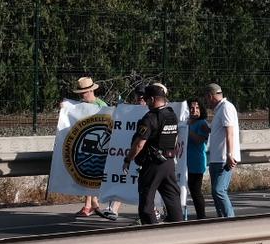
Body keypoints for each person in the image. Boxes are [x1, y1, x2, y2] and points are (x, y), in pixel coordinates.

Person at [128, 83, 183, 226]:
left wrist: (128, 159)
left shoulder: (150, 118)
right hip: (169, 163)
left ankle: (151, 231)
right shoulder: (171, 115)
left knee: (146, 200)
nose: (145, 103)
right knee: (172, 198)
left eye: (146, 100)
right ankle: (180, 229)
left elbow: (139, 144)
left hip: (153, 164)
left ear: (152, 99)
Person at [67, 75, 121, 222]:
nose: (81, 95)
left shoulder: (101, 105)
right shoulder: (81, 105)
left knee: (93, 173)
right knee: (86, 171)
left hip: (100, 144)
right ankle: (89, 204)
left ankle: (91, 204)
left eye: (83, 93)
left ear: (90, 91)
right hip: (88, 142)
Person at [205, 82, 241, 218]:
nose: (206, 102)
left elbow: (229, 132)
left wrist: (230, 154)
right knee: (215, 193)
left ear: (210, 96)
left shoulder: (226, 107)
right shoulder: (219, 110)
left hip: (224, 158)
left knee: (219, 190)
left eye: (206, 98)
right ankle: (221, 220)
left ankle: (230, 220)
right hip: (216, 158)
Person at [185, 94, 209, 219]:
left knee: (195, 190)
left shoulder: (202, 123)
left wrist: (187, 130)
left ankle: (201, 216)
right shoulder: (186, 122)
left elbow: (199, 140)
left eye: (197, 108)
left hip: (197, 162)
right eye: (192, 108)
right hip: (185, 161)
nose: (194, 110)